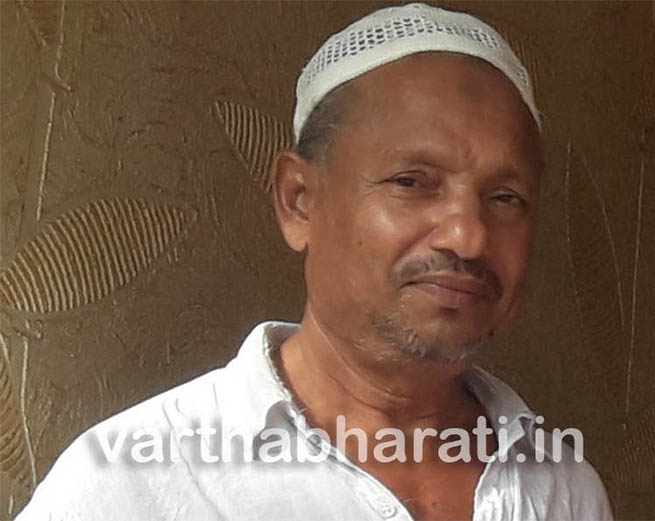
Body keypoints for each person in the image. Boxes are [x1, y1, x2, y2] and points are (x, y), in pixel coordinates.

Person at [17, 3, 613, 520]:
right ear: (299, 201)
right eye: (411, 182)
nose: (468, 236)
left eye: (506, 198)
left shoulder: (561, 487)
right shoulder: (137, 483)